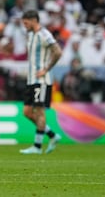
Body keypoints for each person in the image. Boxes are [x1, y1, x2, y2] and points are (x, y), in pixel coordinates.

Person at [19, 10, 62, 155]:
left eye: (26, 23)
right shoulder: (31, 35)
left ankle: (37, 147)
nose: (24, 26)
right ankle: (52, 136)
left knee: (39, 112)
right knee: (27, 112)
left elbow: (57, 52)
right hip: (31, 79)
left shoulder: (45, 34)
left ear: (33, 20)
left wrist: (46, 69)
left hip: (41, 80)